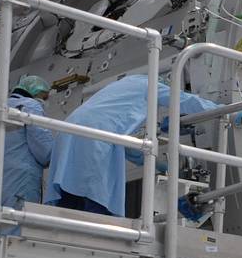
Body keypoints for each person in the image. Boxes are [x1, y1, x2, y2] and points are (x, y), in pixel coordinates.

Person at [44, 74, 220, 217]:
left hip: (68, 131)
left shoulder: (124, 85)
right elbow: (184, 100)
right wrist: (224, 110)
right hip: (95, 135)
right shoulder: (149, 85)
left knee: (71, 193)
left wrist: (151, 162)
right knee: (96, 197)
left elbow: (124, 143)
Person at [0, 75, 53, 220]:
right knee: (16, 229)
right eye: (45, 97)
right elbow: (45, 152)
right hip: (20, 183)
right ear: (36, 93)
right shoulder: (31, 106)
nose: (45, 101)